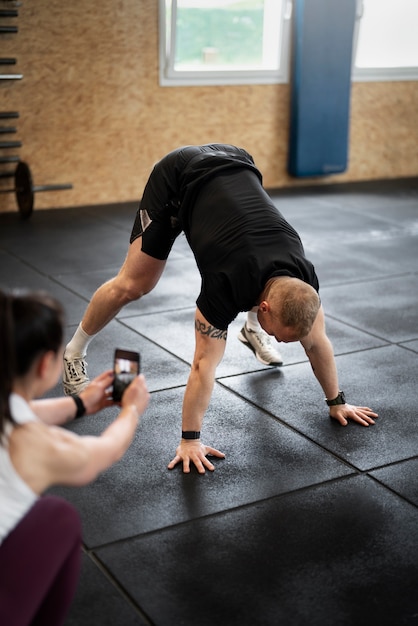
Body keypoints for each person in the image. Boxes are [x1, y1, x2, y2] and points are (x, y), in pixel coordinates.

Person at [62, 143, 377, 475]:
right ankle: (74, 352)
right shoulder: (223, 287)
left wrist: (337, 402)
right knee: (135, 284)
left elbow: (317, 343)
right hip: (179, 181)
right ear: (264, 308)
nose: (285, 343)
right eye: (278, 335)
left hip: (238, 162)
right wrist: (189, 441)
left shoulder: (304, 283)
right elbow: (202, 366)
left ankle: (252, 331)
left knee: (284, 308)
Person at [0, 289, 149, 626]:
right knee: (59, 517)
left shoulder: (10, 411)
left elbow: (23, 411)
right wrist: (131, 411)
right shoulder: (35, 445)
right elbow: (101, 453)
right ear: (44, 366)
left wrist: (84, 403)